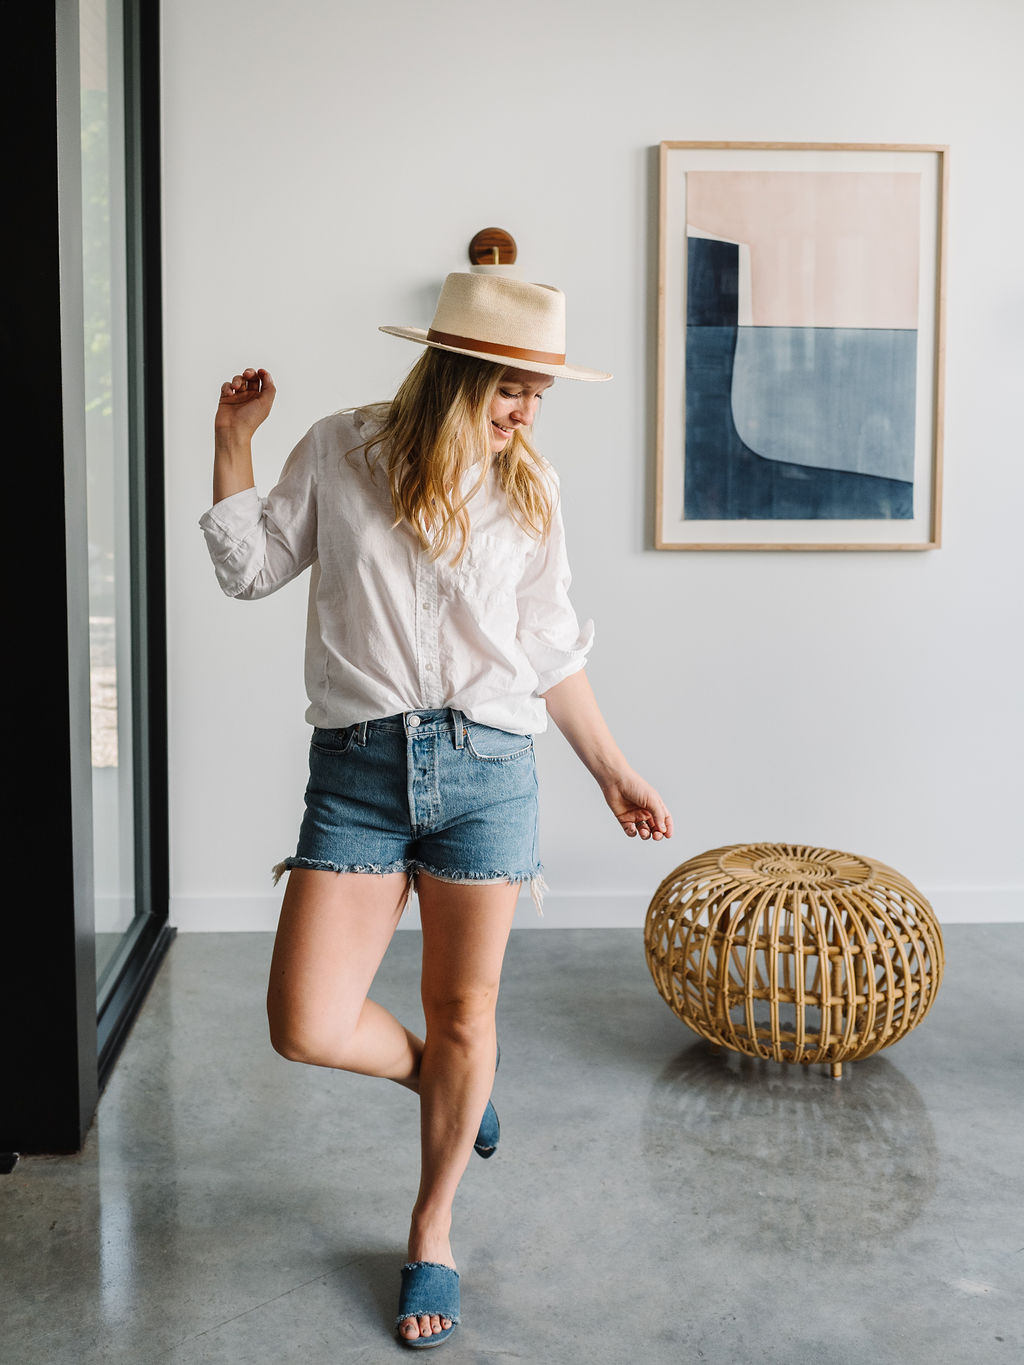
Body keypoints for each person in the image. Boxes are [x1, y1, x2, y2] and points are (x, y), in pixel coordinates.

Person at [200, 271, 672, 1350]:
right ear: (453, 374)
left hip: (489, 769)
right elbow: (250, 568)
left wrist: (612, 771)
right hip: (357, 771)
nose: (525, 413)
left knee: (470, 1016)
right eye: (511, 388)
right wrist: (233, 438)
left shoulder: (532, 490)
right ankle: (452, 1085)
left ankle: (432, 1231)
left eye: (537, 394)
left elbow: (549, 653)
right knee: (306, 1024)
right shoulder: (340, 447)